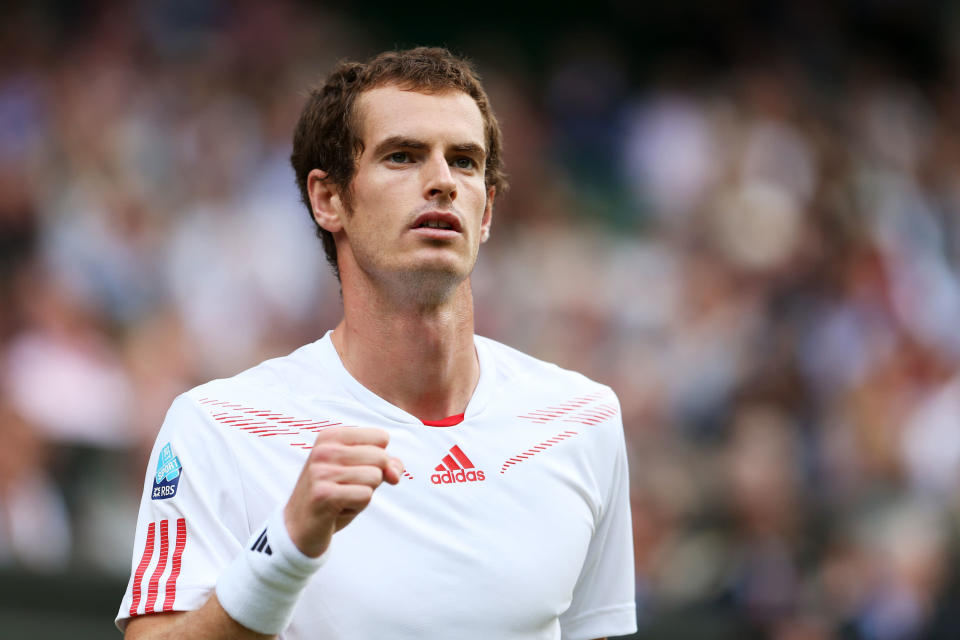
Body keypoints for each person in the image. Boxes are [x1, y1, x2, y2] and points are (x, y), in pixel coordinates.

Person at [117, 47, 636, 640]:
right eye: (403, 156)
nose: (442, 181)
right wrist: (285, 545)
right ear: (329, 199)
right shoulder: (218, 426)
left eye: (465, 162)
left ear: (487, 210)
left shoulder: (583, 419)